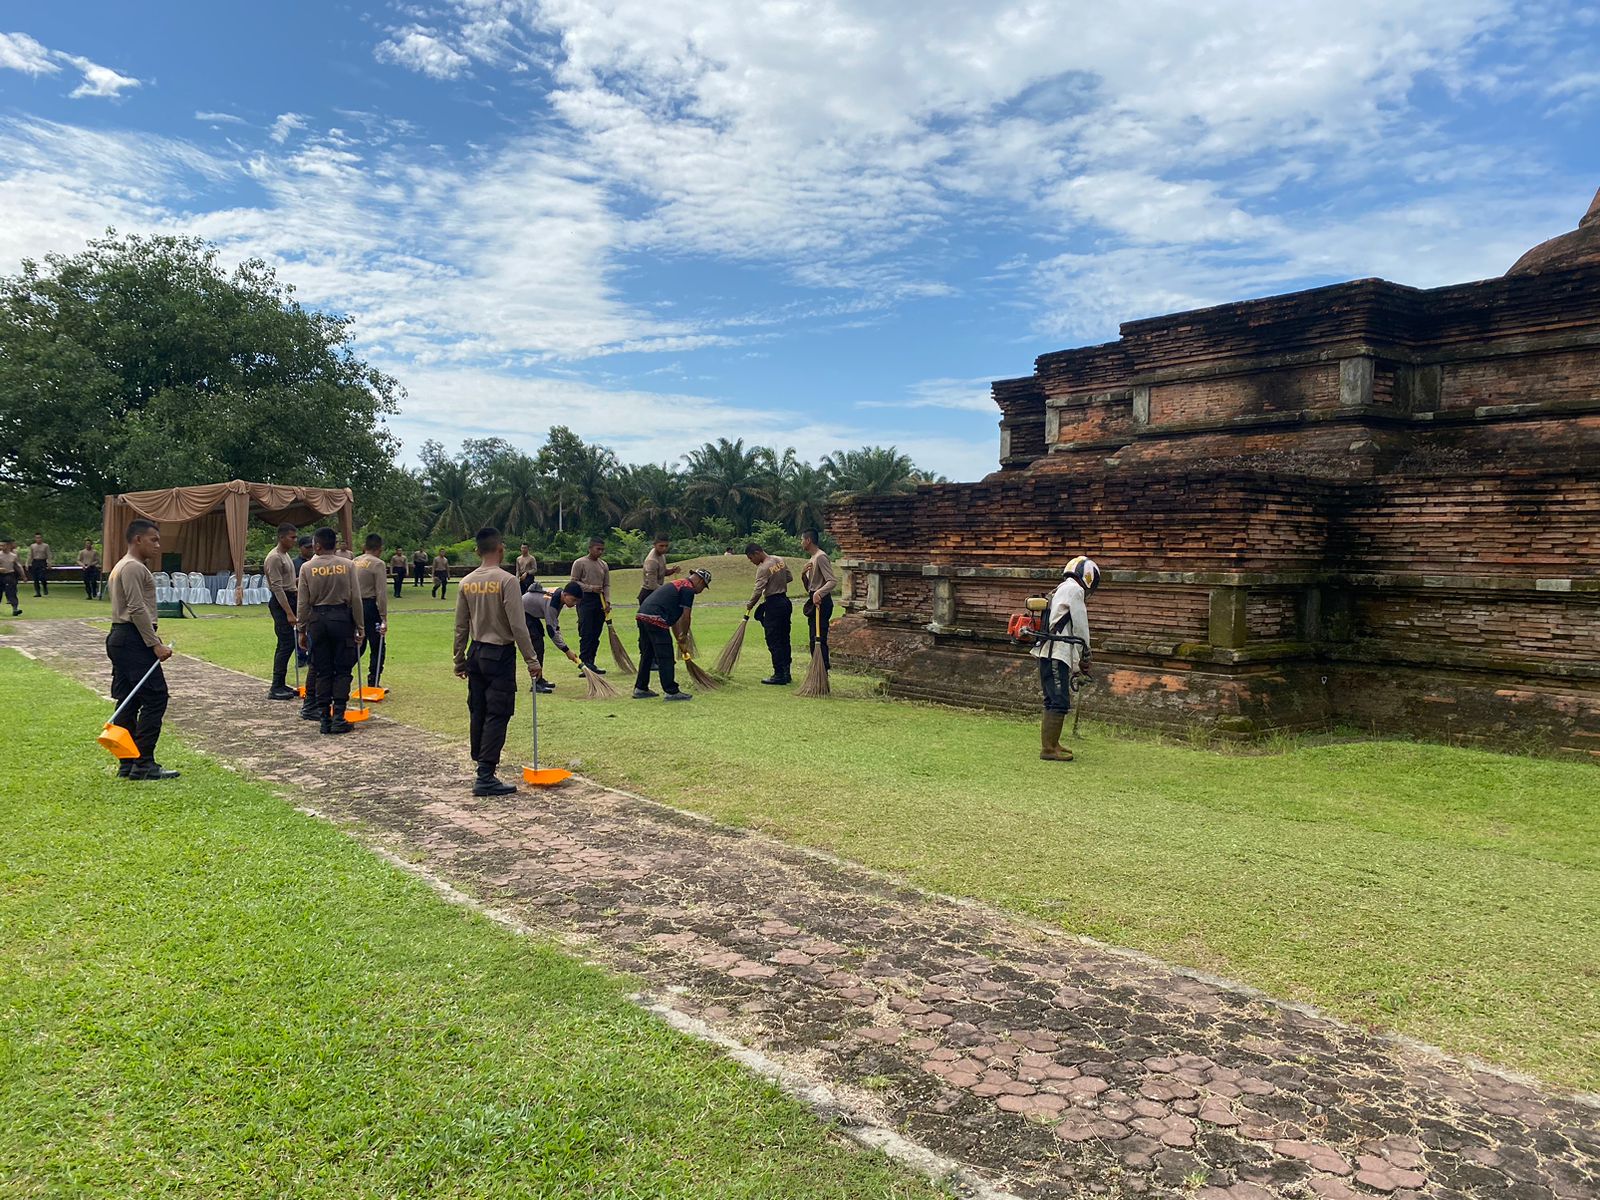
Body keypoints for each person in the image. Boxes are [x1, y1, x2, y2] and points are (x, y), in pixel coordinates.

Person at [454, 527, 541, 796]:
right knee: (498, 712)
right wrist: (532, 660)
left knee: (478, 709)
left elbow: (460, 627)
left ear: (478, 551)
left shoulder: (466, 581)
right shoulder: (507, 580)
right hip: (500, 654)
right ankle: (485, 775)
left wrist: (459, 659)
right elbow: (518, 625)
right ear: (501, 549)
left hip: (476, 652)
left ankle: (480, 764)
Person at [105, 519, 177, 780]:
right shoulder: (134, 567)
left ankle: (128, 761)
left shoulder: (120, 567)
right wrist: (154, 643)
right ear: (137, 539)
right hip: (132, 639)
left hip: (120, 637)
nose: (158, 546)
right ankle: (144, 763)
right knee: (155, 697)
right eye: (153, 540)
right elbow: (136, 608)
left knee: (128, 699)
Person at [295, 526, 365, 735]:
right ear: (334, 544)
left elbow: (303, 602)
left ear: (317, 545)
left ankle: (324, 718)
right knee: (343, 670)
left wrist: (301, 629)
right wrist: (360, 626)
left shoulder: (307, 568)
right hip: (341, 618)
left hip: (317, 620)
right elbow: (355, 598)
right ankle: (339, 716)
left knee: (322, 670)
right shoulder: (348, 565)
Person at [1031, 556, 1099, 762]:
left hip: (1048, 651)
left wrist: (1077, 664)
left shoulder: (1061, 587)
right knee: (1058, 700)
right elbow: (1080, 627)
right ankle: (1049, 749)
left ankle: (1052, 744)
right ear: (1088, 577)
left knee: (1052, 699)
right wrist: (1086, 652)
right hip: (1056, 653)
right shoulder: (1075, 590)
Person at [633, 568, 710, 701]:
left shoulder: (678, 584)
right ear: (700, 581)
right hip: (655, 618)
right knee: (666, 656)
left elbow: (675, 620)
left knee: (648, 654)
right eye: (703, 586)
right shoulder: (688, 589)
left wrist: (679, 639)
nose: (701, 590)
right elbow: (686, 616)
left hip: (642, 615)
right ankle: (671, 691)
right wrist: (685, 635)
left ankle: (640, 688)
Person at [744, 542, 794, 685]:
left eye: (750, 558)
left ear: (756, 553)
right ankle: (786, 672)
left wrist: (750, 604)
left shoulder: (763, 568)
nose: (751, 562)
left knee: (773, 639)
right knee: (785, 638)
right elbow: (789, 577)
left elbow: (758, 590)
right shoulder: (779, 560)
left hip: (773, 604)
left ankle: (779, 674)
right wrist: (777, 582)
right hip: (785, 602)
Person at [263, 522, 301, 701]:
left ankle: (281, 682)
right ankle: (275, 686)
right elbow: (277, 588)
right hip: (281, 602)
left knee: (288, 643)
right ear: (281, 537)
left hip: (291, 597)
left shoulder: (286, 556)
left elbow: (289, 582)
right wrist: (289, 613)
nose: (294, 540)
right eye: (291, 537)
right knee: (286, 644)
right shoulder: (274, 558)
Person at [523, 581, 582, 694]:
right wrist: (567, 651)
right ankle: (536, 683)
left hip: (531, 615)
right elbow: (551, 631)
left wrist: (564, 646)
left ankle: (539, 680)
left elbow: (555, 626)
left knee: (539, 644)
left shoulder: (559, 598)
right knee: (537, 646)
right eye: (574, 600)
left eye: (577, 602)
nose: (575, 604)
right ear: (565, 595)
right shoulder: (553, 603)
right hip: (522, 613)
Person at [569, 536, 610, 675]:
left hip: (600, 600)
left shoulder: (603, 565)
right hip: (585, 600)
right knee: (586, 632)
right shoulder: (579, 563)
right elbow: (574, 582)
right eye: (598, 549)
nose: (600, 552)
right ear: (590, 548)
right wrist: (590, 588)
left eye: (602, 550)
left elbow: (606, 585)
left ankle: (591, 662)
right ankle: (584, 664)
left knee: (595, 633)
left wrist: (607, 600)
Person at [354, 534, 390, 691]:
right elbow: (381, 592)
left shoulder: (354, 561)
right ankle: (373, 681)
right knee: (378, 645)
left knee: (357, 644)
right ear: (380, 549)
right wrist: (383, 617)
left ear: (364, 547)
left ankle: (340, 674)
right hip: (369, 606)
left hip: (354, 606)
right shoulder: (378, 564)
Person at [801, 529, 837, 671]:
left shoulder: (821, 557)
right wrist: (803, 575)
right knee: (813, 639)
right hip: (814, 600)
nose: (801, 543)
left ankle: (823, 671)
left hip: (822, 602)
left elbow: (832, 581)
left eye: (802, 539)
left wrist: (819, 593)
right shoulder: (812, 559)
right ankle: (817, 669)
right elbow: (810, 587)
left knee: (819, 639)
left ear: (808, 540)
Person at [638, 534, 680, 603]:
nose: (664, 548)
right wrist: (668, 589)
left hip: (656, 593)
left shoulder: (661, 555)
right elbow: (652, 585)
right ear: (654, 545)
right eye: (661, 546)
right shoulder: (652, 561)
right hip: (648, 594)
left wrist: (672, 570)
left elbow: (663, 572)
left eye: (666, 546)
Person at [0, 539, 21, 615]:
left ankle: (15, 609)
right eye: (0, 545)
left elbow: (18, 566)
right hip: (0, 575)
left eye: (3, 545)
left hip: (9, 575)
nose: (1, 547)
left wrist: (23, 575)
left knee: (11, 592)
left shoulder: (13, 556)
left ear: (8, 546)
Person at [28, 533, 50, 597]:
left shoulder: (46, 546)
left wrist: (49, 563)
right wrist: (27, 563)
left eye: (39, 537)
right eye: (37, 538)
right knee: (35, 578)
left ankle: (45, 586)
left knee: (42, 576)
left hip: (42, 562)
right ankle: (37, 592)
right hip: (35, 562)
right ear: (35, 538)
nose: (38, 539)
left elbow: (49, 554)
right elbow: (30, 555)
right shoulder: (32, 546)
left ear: (41, 538)